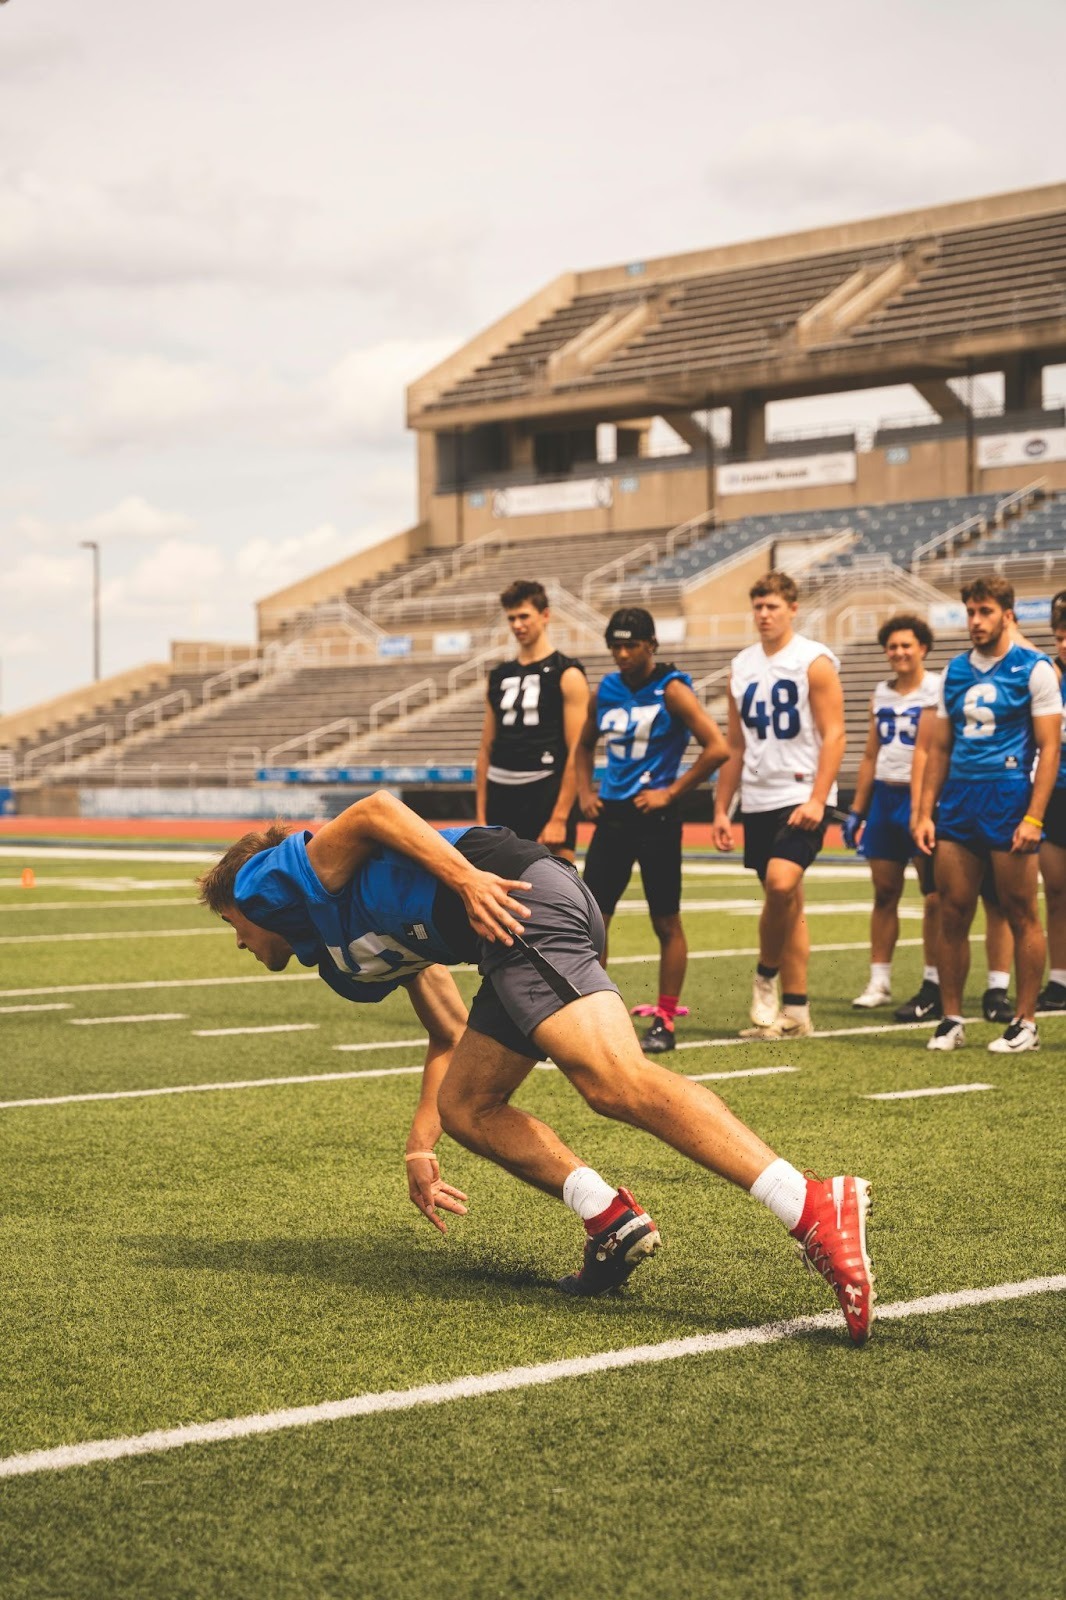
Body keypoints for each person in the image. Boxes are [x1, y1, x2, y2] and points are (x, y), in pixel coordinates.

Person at [196, 792, 875, 1343]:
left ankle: (811, 1205)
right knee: (470, 1105)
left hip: (516, 898)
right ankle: (609, 1218)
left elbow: (374, 810)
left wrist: (462, 879)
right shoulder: (341, 961)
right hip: (506, 932)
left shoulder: (265, 883)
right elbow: (446, 1031)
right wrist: (419, 1145)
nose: (239, 938)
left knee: (614, 1082)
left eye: (231, 923)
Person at [912, 576, 1062, 1052]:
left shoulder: (1034, 669)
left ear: (1007, 614)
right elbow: (937, 748)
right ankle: (952, 1018)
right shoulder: (953, 671)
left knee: (1020, 911)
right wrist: (925, 812)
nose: (975, 621)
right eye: (971, 612)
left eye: (985, 612)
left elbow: (1049, 748)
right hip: (958, 801)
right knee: (952, 911)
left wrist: (1034, 816)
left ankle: (1025, 1022)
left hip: (1008, 797)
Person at [575, 606, 728, 1054]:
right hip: (614, 816)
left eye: (630, 645)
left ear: (651, 645)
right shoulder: (605, 688)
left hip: (656, 819)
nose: (622, 654)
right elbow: (583, 745)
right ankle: (597, 1017)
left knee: (665, 920)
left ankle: (665, 1019)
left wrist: (672, 792)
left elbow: (717, 748)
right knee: (594, 922)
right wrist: (585, 791)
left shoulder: (672, 689)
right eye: (615, 646)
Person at [713, 571, 846, 1039]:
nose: (764, 615)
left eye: (772, 606)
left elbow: (835, 734)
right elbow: (734, 745)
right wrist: (721, 809)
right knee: (788, 903)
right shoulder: (742, 665)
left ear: (792, 608)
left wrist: (817, 798)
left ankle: (765, 975)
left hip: (802, 793)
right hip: (759, 795)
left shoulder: (814, 661)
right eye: (758, 606)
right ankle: (797, 1010)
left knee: (780, 881)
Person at [843, 614, 942, 1015]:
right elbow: (870, 754)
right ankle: (879, 980)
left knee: (933, 895)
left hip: (924, 800)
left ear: (923, 648)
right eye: (893, 646)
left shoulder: (937, 689)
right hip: (885, 798)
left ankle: (934, 979)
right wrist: (858, 809)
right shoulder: (880, 693)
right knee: (884, 893)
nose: (899, 652)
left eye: (906, 645)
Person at [475, 580, 588, 862]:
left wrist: (560, 816)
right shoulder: (499, 675)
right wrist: (481, 814)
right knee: (499, 890)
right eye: (511, 618)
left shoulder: (567, 672)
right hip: (501, 790)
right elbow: (486, 748)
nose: (517, 625)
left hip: (544, 789)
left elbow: (579, 750)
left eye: (524, 616)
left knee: (556, 887)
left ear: (545, 615)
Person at [1038, 589, 1066, 1012]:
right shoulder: (1047, 678)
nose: (1064, 645)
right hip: (1055, 792)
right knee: (1057, 890)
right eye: (1060, 636)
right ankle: (1059, 980)